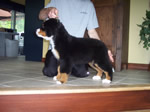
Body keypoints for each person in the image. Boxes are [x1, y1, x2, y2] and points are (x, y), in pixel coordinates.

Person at [39, 0, 114, 77]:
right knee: (50, 71)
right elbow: (41, 16)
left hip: (77, 49)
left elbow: (92, 32)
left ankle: (67, 67)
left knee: (82, 73)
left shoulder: (88, 5)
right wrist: (49, 10)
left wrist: (103, 49)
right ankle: (66, 67)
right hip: (57, 48)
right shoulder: (57, 0)